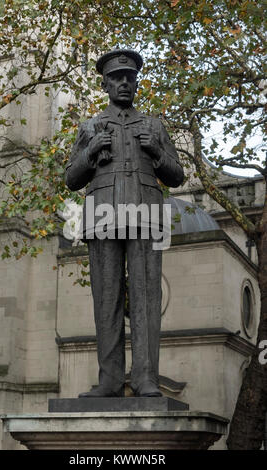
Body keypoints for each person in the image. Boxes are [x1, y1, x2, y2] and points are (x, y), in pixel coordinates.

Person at [65, 49, 184, 397]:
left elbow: (177, 176)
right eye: (116, 78)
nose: (123, 84)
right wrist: (90, 152)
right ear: (105, 84)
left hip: (148, 215)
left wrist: (158, 153)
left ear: (136, 83)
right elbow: (71, 178)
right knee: (106, 298)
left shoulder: (153, 126)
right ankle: (110, 379)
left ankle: (146, 377)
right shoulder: (90, 127)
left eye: (129, 78)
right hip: (101, 213)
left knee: (147, 296)